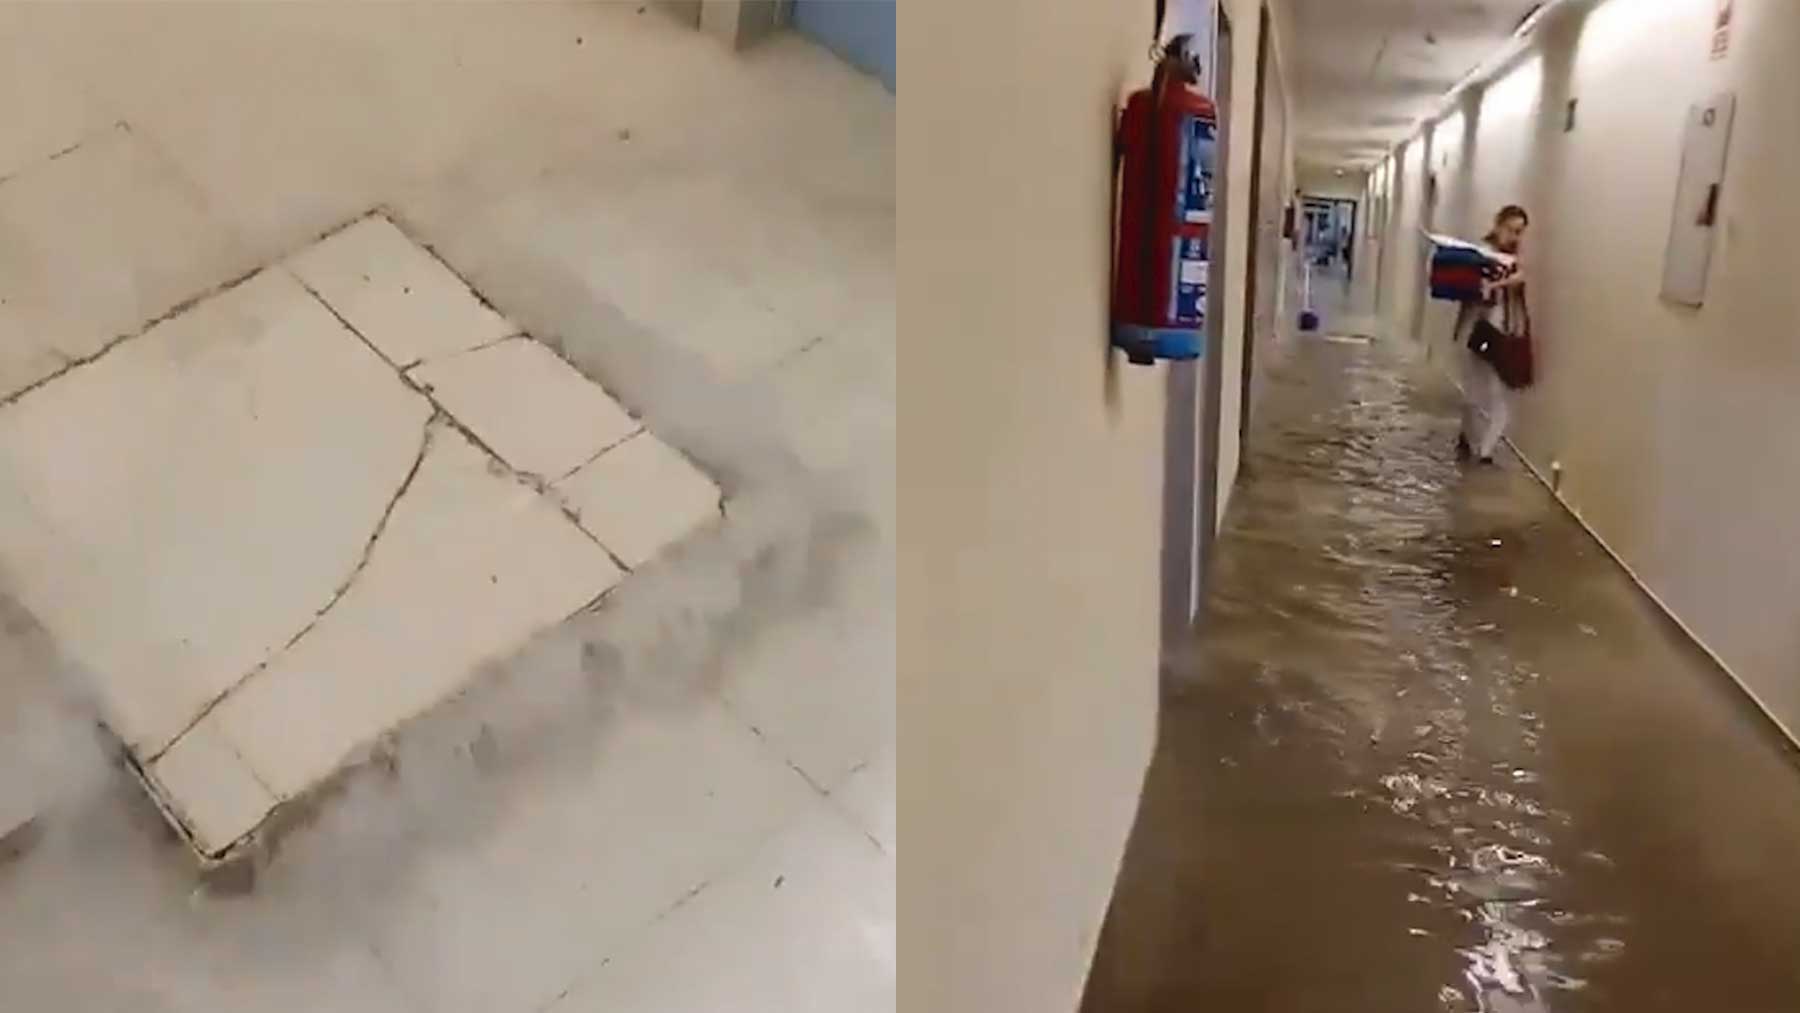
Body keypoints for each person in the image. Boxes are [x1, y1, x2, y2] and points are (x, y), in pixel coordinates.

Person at [1453, 205, 1529, 465]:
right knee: (1473, 393)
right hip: (1482, 331)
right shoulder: (1483, 256)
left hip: (1502, 335)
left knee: (1499, 397)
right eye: (1511, 230)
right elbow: (1471, 295)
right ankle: (1470, 441)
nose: (1515, 237)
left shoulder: (1515, 261)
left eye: (1520, 232)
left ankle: (1483, 452)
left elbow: (1519, 288)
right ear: (1498, 226)